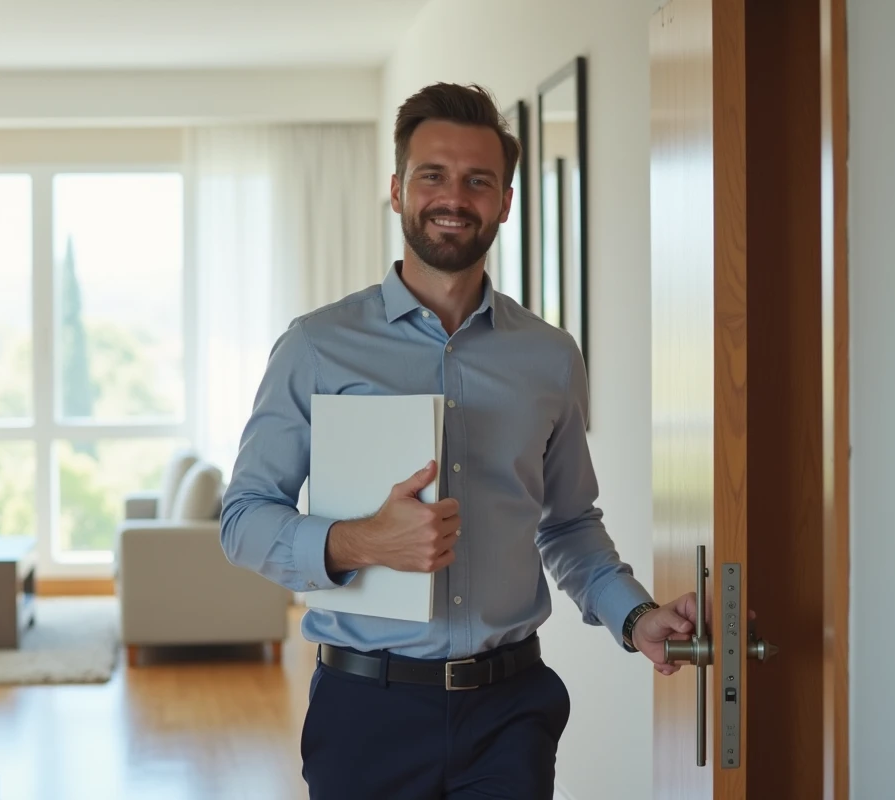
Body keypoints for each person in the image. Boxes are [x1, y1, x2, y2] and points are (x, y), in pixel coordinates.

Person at [219, 81, 701, 800]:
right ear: (396, 189)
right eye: (432, 175)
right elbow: (243, 519)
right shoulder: (316, 347)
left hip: (510, 713)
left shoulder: (549, 357)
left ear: (505, 201)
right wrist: (360, 543)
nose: (454, 196)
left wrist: (635, 616)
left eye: (479, 180)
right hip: (365, 712)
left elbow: (569, 524)